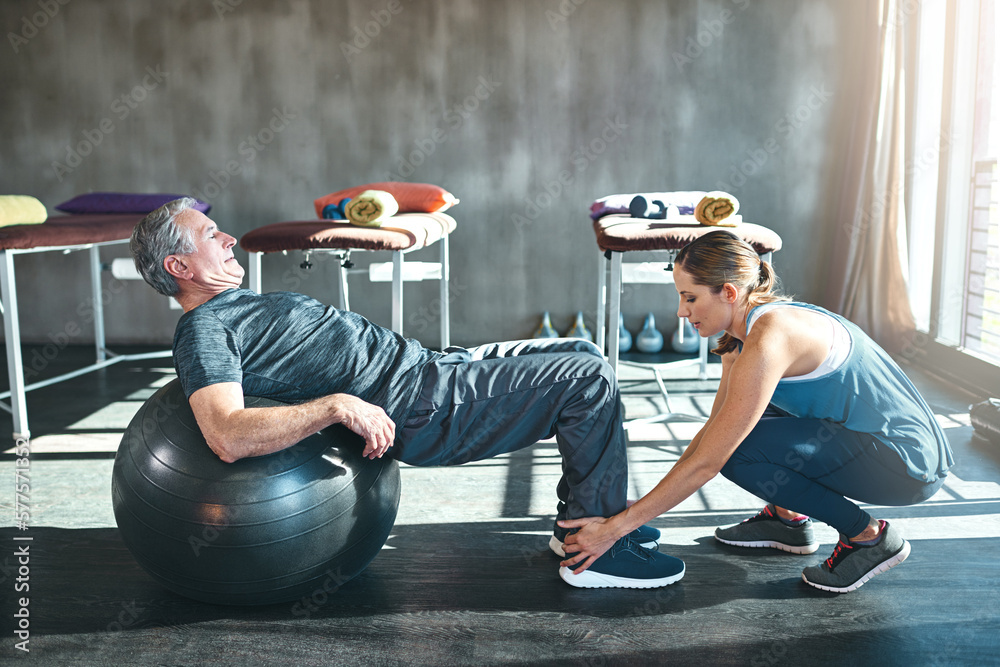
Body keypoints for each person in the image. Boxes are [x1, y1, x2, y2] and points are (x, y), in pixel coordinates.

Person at [129, 197, 685, 589]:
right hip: (424, 405)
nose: (227, 238)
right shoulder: (204, 330)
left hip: (433, 367)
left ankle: (581, 527)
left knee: (585, 356)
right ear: (179, 266)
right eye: (209, 235)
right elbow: (224, 433)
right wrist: (336, 406)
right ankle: (599, 557)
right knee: (587, 380)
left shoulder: (233, 308)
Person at [559, 229, 953, 593]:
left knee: (740, 453)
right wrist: (641, 508)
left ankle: (868, 537)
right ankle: (787, 519)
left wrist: (619, 527)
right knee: (739, 426)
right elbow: (714, 430)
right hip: (883, 446)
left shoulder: (769, 339)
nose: (681, 312)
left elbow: (712, 460)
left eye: (690, 297)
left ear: (728, 292)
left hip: (906, 465)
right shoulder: (747, 331)